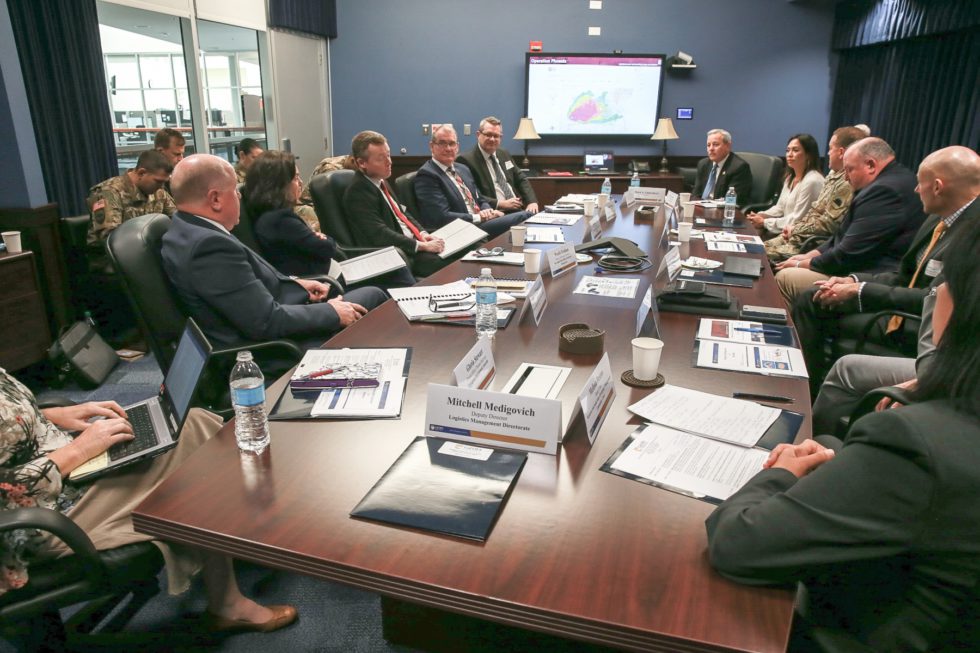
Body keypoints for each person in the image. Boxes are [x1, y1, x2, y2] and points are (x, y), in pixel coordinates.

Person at [706, 213, 980, 652]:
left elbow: (737, 543)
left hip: (833, 633)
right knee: (828, 444)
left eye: (945, 281)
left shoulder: (914, 444)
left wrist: (781, 473)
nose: (937, 292)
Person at [0, 370, 297, 633]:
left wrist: (51, 415)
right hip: (35, 522)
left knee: (191, 424)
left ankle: (241, 536)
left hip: (61, 475)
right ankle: (229, 600)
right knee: (193, 465)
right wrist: (77, 451)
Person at [792, 145, 979, 389]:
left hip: (921, 326)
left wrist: (860, 290)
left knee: (819, 305)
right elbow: (904, 275)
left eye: (920, 183)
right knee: (813, 297)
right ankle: (804, 384)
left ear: (937, 187)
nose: (915, 189)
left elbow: (931, 298)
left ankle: (806, 391)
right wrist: (853, 280)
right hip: (900, 306)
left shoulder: (972, 235)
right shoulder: (937, 218)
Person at [161, 154, 387, 350]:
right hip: (273, 349)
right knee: (374, 296)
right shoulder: (208, 246)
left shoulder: (188, 230)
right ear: (215, 199)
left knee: (370, 295)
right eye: (235, 192)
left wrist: (295, 283)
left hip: (278, 315)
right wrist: (332, 312)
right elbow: (266, 321)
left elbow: (242, 288)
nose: (240, 197)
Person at [774, 137, 925, 303]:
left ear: (870, 165)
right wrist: (808, 256)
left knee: (785, 277)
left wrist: (802, 264)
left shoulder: (884, 191)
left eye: (849, 170)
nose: (845, 177)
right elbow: (842, 235)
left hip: (872, 277)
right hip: (860, 267)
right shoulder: (891, 179)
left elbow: (848, 254)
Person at [249, 149, 415, 287]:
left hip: (332, 272)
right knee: (396, 270)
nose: (300, 182)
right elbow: (327, 247)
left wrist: (320, 238)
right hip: (325, 281)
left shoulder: (271, 216)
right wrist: (322, 238)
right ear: (279, 185)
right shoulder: (280, 220)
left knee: (394, 263)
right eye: (295, 178)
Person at [343, 130, 451, 278]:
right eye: (381, 158)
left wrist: (423, 234)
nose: (389, 162)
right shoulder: (358, 192)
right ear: (362, 163)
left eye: (388, 155)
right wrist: (420, 246)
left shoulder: (381, 180)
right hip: (398, 256)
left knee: (464, 252)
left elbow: (402, 214)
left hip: (411, 246)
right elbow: (379, 234)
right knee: (453, 262)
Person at [764, 127, 863, 263]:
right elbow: (815, 211)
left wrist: (796, 229)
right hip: (799, 236)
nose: (828, 153)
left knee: (758, 254)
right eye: (788, 150)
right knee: (755, 247)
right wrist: (795, 229)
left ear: (841, 152)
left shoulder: (846, 182)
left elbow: (828, 224)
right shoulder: (832, 175)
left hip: (813, 244)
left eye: (830, 148)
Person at [414, 124, 529, 239]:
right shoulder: (427, 175)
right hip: (461, 230)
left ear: (457, 147)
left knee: (525, 217)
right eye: (442, 143)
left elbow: (479, 198)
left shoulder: (462, 169)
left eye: (452, 143)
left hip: (480, 222)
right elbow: (441, 217)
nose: (448, 148)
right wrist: (479, 217)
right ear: (432, 146)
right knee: (524, 216)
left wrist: (487, 210)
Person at [86, 149, 176, 270]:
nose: (162, 186)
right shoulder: (109, 192)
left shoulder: (158, 191)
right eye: (158, 181)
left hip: (147, 254)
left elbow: (176, 219)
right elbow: (110, 238)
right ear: (141, 173)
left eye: (164, 182)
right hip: (112, 261)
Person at [457, 116, 539, 215]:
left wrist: (531, 201)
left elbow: (520, 178)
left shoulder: (504, 154)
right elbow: (471, 193)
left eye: (496, 136)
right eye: (488, 135)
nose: (492, 139)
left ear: (501, 137)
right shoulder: (466, 160)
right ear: (478, 134)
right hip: (495, 212)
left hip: (517, 209)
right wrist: (500, 204)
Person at [745, 134, 823, 237]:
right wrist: (761, 215)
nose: (789, 154)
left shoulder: (812, 181)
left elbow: (798, 219)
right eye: (788, 150)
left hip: (798, 234)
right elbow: (780, 208)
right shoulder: (790, 178)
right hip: (784, 229)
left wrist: (764, 222)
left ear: (808, 155)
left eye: (795, 150)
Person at [691, 129, 753, 206]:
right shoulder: (703, 164)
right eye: (708, 145)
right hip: (702, 207)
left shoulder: (739, 167)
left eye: (715, 144)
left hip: (723, 210)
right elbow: (696, 193)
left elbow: (732, 201)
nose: (711, 149)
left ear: (728, 146)